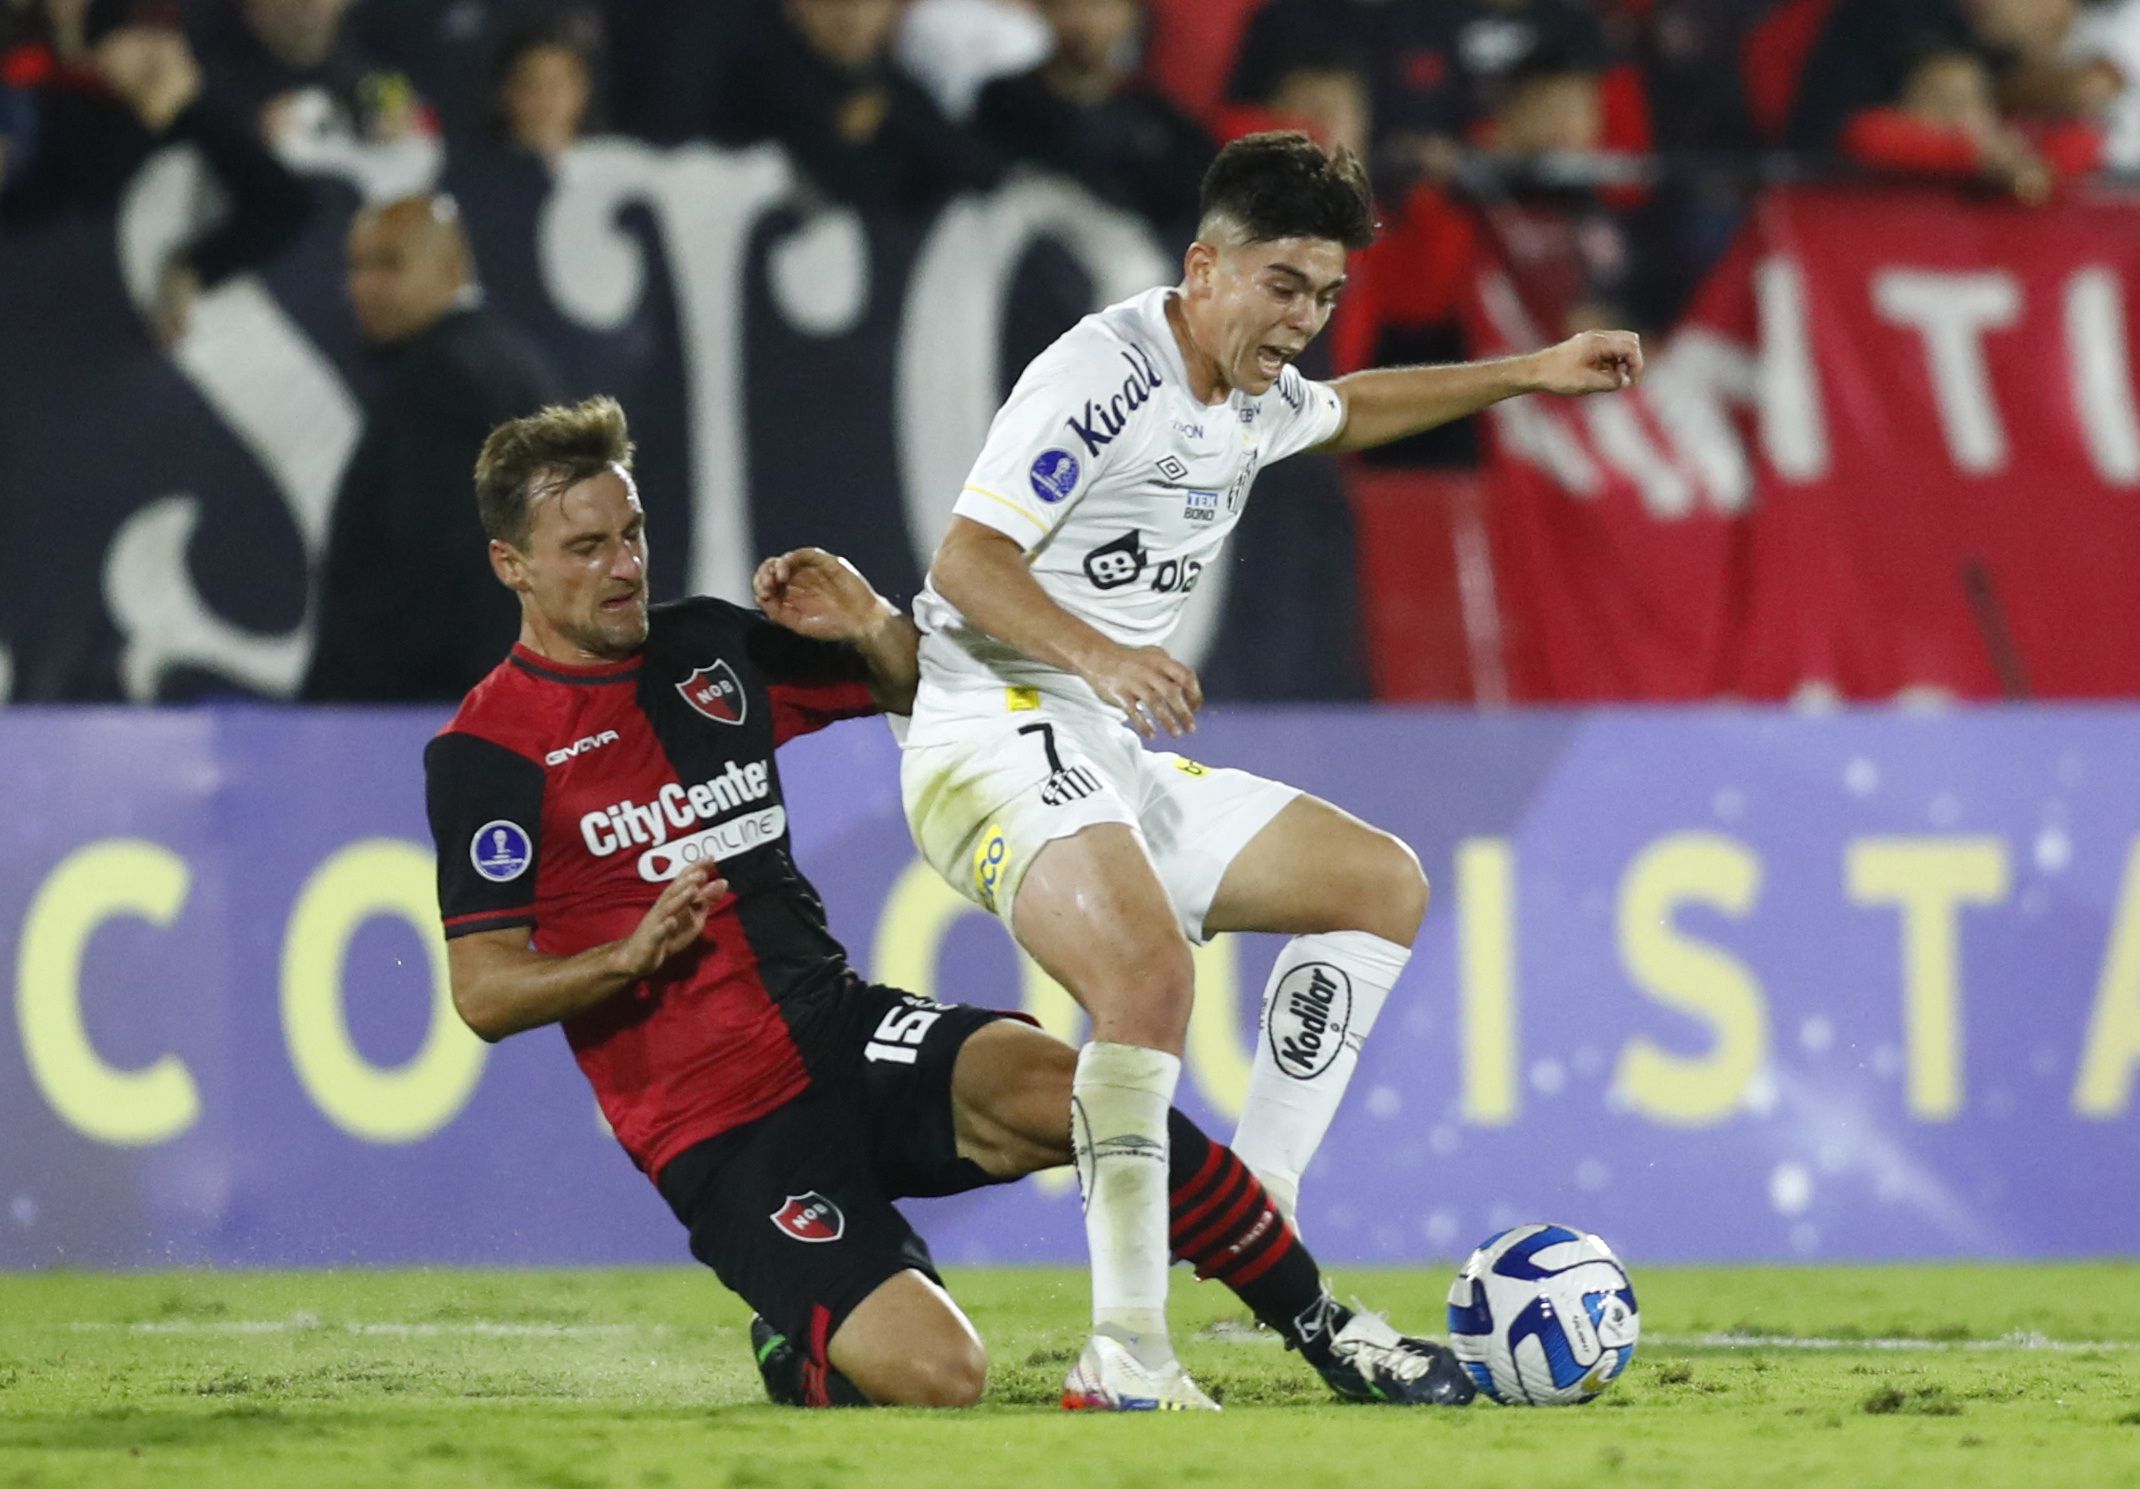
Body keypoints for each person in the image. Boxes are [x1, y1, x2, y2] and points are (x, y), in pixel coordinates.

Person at [423, 394, 1476, 1412]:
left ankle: (1327, 1328)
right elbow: (483, 991)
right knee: (943, 1376)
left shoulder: (704, 648)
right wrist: (624, 957)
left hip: (845, 1032)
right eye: (586, 549)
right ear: (510, 566)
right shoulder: (489, 751)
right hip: (723, 1127)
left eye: (632, 533)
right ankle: (806, 1344)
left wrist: (874, 623)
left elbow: (928, 697)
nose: (623, 567)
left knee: (1095, 1090)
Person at [900, 130, 1640, 1404]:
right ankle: (1124, 1352)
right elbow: (965, 561)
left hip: (1096, 743)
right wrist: (1102, 652)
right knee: (1146, 978)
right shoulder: (1104, 371)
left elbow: (1354, 410)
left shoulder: (1248, 394)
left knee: (1377, 882)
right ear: (1204, 269)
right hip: (992, 720)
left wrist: (1531, 371)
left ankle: (1263, 1205)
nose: (1304, 319)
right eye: (1283, 286)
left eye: (1327, 295)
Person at [301, 194, 566, 701]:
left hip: (424, 710)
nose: (364, 286)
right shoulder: (513, 362)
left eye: (389, 264)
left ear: (452, 270)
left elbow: (432, 569)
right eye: (357, 266)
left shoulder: (439, 380)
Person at [971, 0, 1212, 230]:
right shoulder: (1005, 103)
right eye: (1064, 5)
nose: (1081, 19)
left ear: (1131, 15)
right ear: (1042, 10)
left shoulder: (1158, 119)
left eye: (1099, 5)